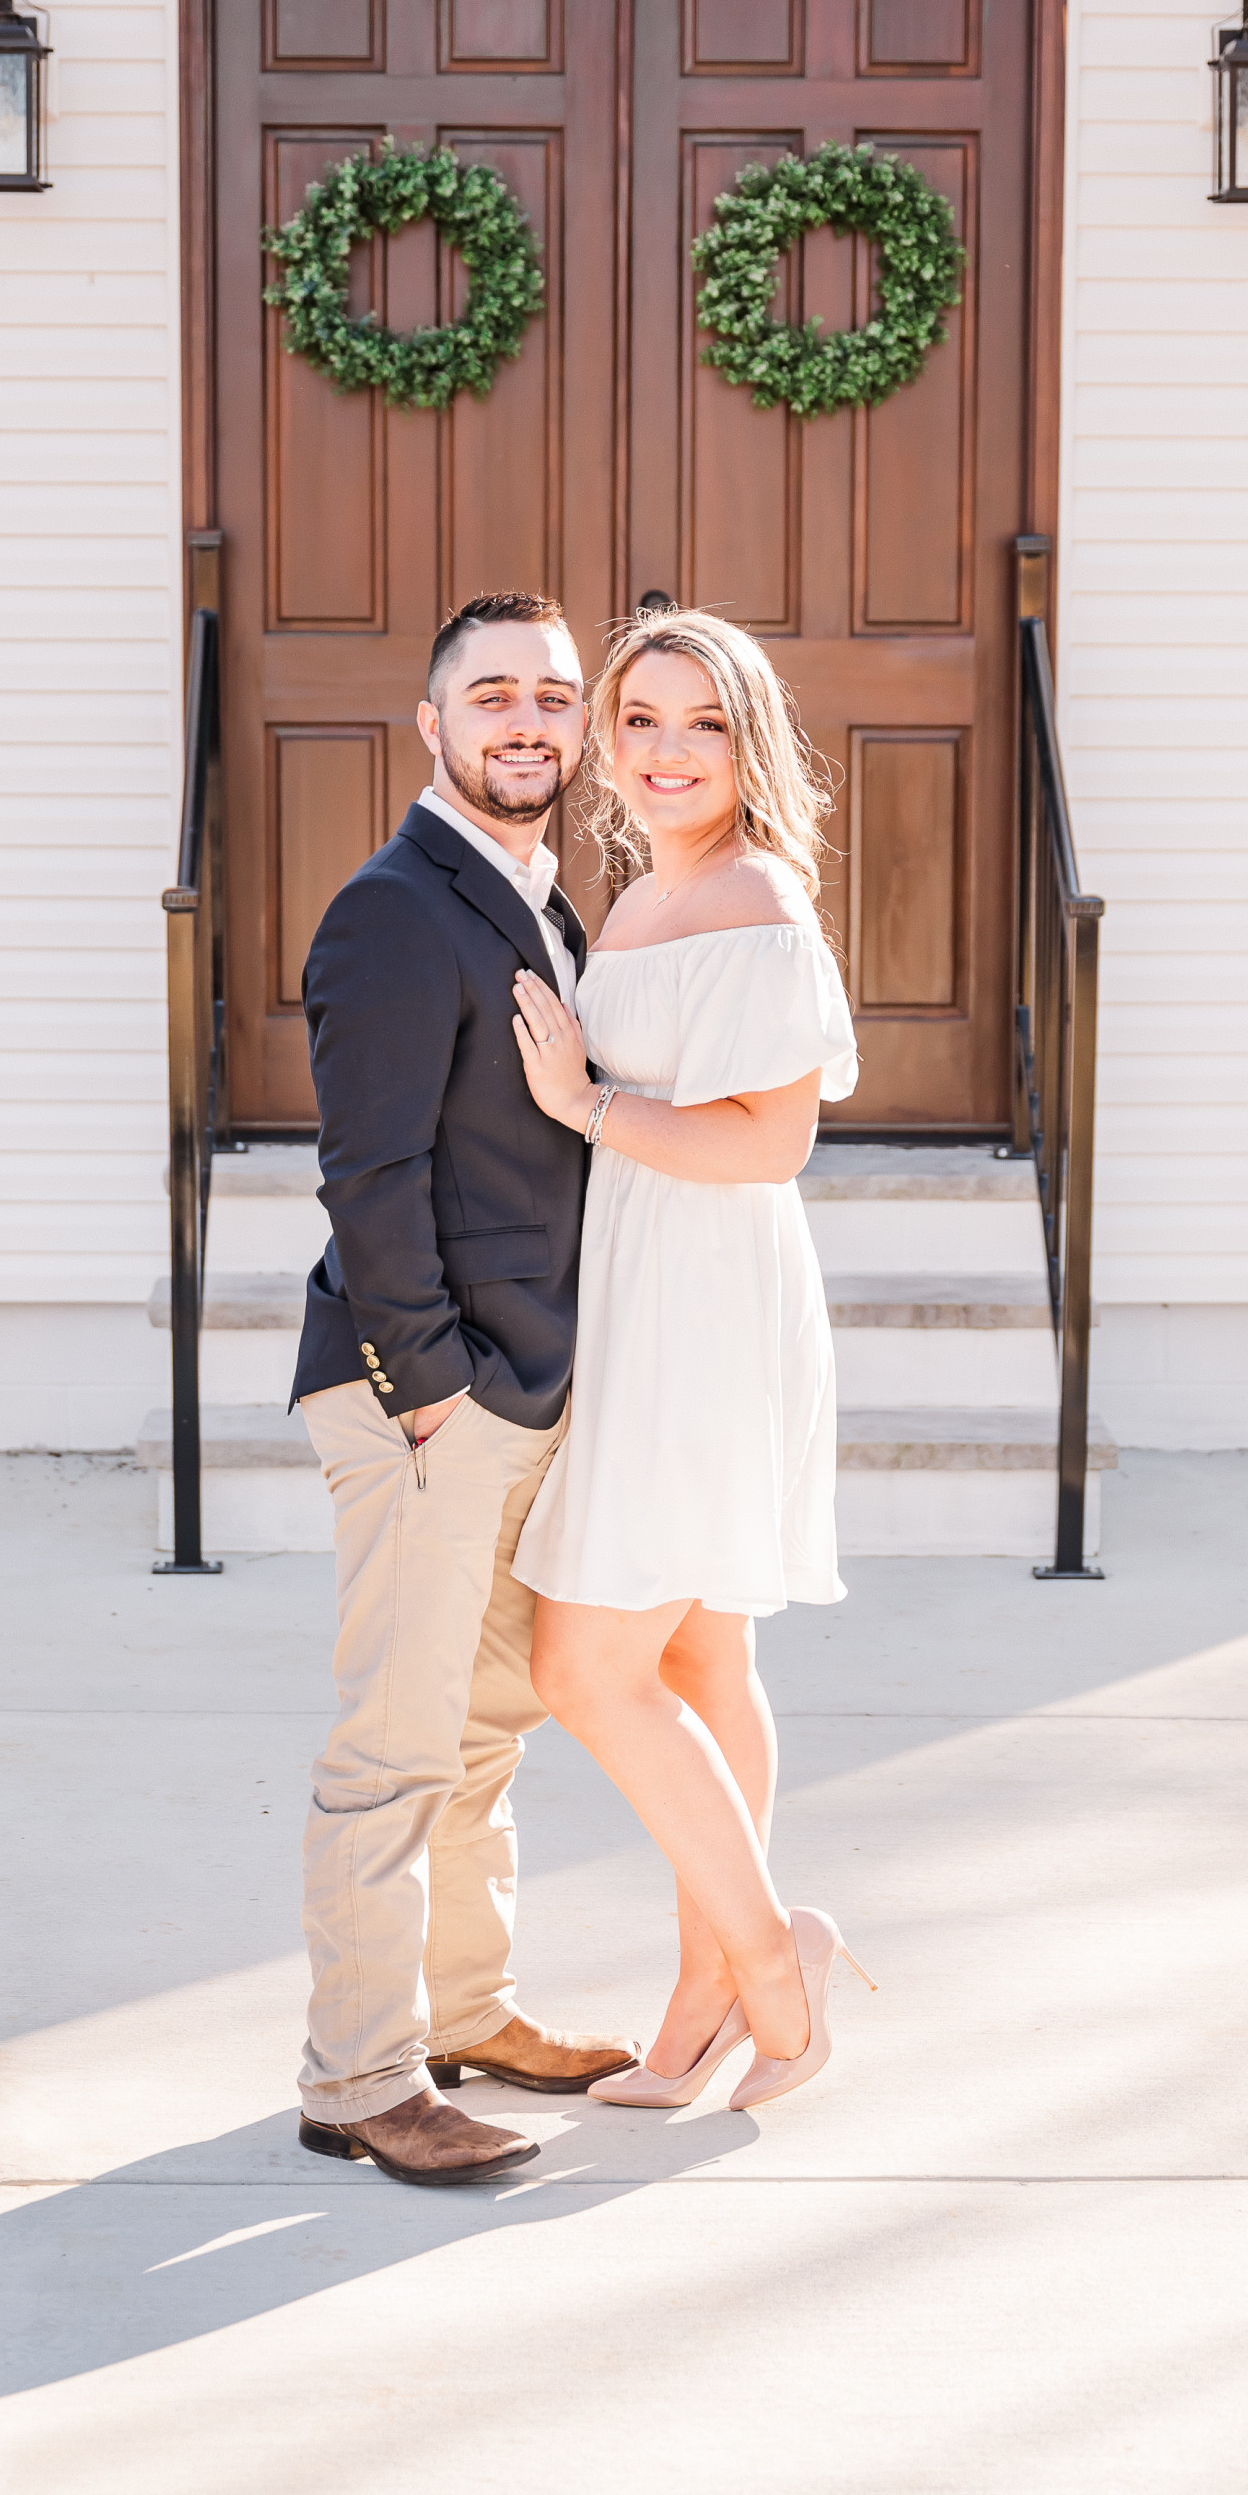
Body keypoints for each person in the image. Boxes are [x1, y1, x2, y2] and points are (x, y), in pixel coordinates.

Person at [290, 589, 639, 2188]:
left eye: (554, 696)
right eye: (493, 694)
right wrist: (431, 1388)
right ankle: (361, 2076)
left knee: (485, 1726)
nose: (528, 721)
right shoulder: (391, 909)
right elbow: (367, 1176)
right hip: (427, 1398)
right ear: (431, 723)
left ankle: (466, 2010)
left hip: (515, 1387)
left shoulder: (541, 900)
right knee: (394, 1740)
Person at [510, 605, 874, 2112]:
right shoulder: (646, 895)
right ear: (607, 738)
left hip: (709, 1302)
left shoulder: (754, 898)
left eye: (703, 723)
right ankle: (702, 1992)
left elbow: (771, 1140)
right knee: (698, 1655)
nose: (668, 749)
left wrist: (583, 1103)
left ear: (748, 742)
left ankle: (778, 1971)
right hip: (645, 1282)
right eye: (641, 718)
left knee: (584, 1664)